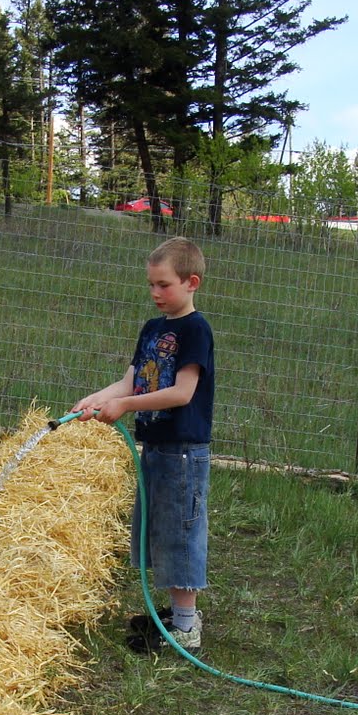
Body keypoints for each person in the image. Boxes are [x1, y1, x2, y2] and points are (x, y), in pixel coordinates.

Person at [71, 236, 214, 651]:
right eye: (150, 284)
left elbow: (182, 392)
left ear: (192, 283)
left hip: (183, 451)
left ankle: (187, 629)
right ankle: (173, 614)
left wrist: (126, 405)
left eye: (164, 285)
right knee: (157, 531)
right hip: (155, 447)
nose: (155, 293)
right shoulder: (153, 329)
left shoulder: (195, 330)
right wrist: (99, 398)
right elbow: (130, 379)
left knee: (181, 534)